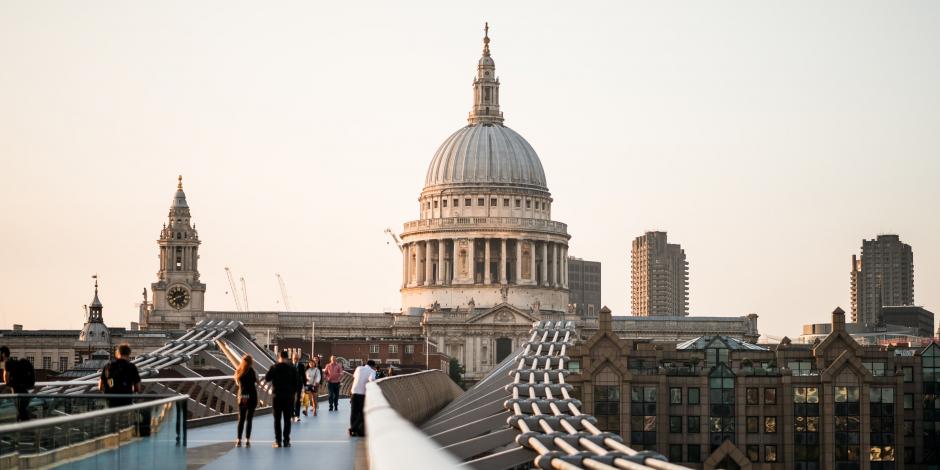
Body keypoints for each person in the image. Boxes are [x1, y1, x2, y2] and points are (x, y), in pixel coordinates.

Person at [265, 350, 298, 448]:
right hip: (289, 397)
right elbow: (296, 383)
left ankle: (278, 441)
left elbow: (267, 378)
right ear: (287, 358)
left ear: (279, 357)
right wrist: (293, 393)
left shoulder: (274, 367)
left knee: (277, 419)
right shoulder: (292, 368)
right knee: (287, 419)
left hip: (277, 396)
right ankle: (286, 441)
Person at [98, 344, 141, 408]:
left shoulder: (108, 366)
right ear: (129, 353)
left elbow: (100, 386)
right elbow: (137, 388)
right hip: (126, 401)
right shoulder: (132, 367)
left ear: (118, 353)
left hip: (111, 401)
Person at [1, 346, 35, 422]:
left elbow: (6, 380)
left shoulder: (8, 363)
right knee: (23, 414)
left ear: (3, 354)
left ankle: (27, 430)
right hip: (24, 392)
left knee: (22, 415)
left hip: (19, 393)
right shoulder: (14, 363)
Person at [234, 354, 258, 447]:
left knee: (241, 419)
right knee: (249, 419)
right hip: (252, 397)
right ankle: (247, 440)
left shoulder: (239, 371)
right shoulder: (253, 371)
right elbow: (258, 382)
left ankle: (239, 440)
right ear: (251, 362)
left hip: (244, 397)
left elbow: (237, 383)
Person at [348, 359, 376, 437]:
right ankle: (357, 429)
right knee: (362, 412)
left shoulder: (358, 368)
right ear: (373, 366)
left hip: (353, 391)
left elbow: (355, 377)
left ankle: (353, 430)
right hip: (362, 394)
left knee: (353, 412)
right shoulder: (372, 371)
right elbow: (372, 379)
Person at [291, 353, 307, 422]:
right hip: (290, 385)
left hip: (298, 385)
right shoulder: (289, 365)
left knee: (297, 400)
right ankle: (292, 415)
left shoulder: (301, 365)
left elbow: (303, 376)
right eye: (295, 358)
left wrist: (305, 385)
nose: (296, 359)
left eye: (297, 358)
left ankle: (297, 416)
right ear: (292, 358)